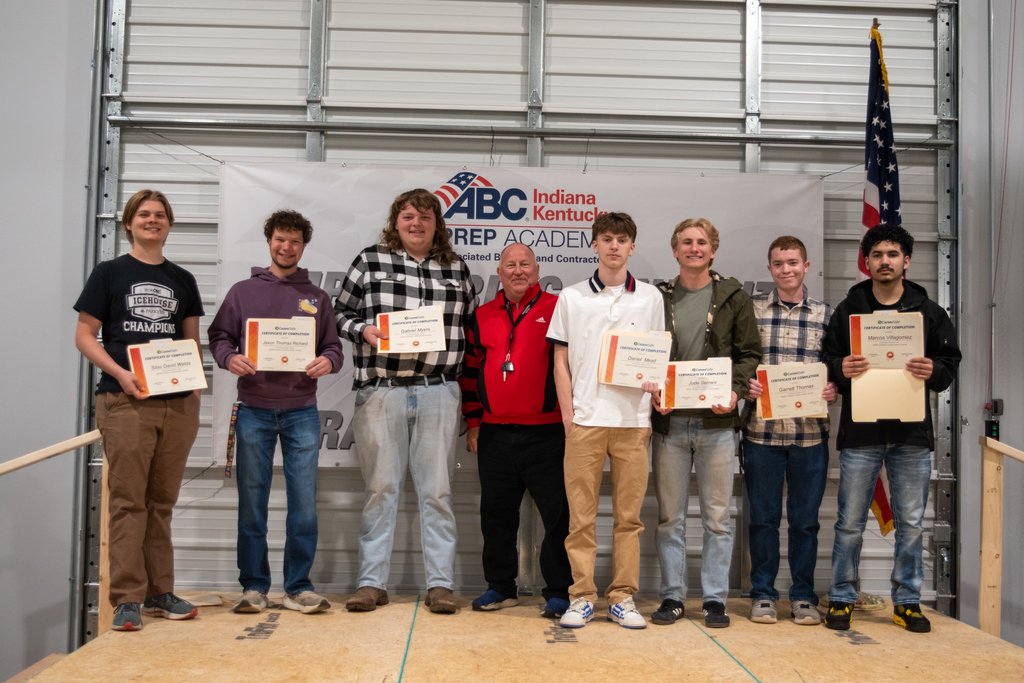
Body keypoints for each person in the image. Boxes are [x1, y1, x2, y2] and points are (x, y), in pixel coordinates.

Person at [334, 188, 476, 615]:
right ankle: (371, 583)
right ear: (396, 222)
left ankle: (440, 585)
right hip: (382, 391)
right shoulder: (369, 259)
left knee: (437, 492)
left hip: (439, 390)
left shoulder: (455, 267)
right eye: (408, 216)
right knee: (381, 489)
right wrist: (364, 332)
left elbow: (471, 324)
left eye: (425, 217)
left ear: (438, 224)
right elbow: (339, 314)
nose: (417, 224)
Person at [74, 189, 204, 631]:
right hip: (125, 398)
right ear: (128, 223)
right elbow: (85, 335)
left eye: (160, 215)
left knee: (162, 502)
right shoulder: (109, 273)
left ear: (169, 223)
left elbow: (189, 341)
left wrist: (194, 386)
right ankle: (127, 597)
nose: (153, 220)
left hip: (176, 403)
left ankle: (159, 592)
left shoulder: (182, 278)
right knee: (129, 501)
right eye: (144, 214)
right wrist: (122, 373)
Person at [822, 224, 960, 633]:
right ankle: (843, 597)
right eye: (877, 254)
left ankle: (907, 601)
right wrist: (840, 368)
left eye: (893, 254)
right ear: (866, 261)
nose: (885, 261)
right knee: (849, 521)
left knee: (912, 522)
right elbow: (828, 358)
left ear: (906, 261)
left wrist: (933, 369)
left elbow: (950, 364)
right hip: (860, 433)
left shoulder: (930, 312)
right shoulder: (849, 310)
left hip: (912, 434)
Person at [208, 209, 343, 615]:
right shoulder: (242, 292)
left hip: (302, 411)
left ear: (304, 247)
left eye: (295, 241)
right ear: (269, 241)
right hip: (254, 410)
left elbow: (333, 347)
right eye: (280, 240)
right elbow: (219, 337)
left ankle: (298, 587)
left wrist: (328, 362)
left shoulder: (317, 297)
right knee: (253, 502)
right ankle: (254, 586)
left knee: (304, 504)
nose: (287, 247)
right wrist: (229, 358)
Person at [546, 212, 665, 630]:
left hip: (634, 421)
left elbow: (656, 356)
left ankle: (622, 597)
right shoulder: (572, 297)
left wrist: (657, 396)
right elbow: (559, 358)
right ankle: (581, 596)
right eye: (607, 239)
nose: (614, 246)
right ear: (594, 245)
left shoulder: (651, 297)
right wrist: (568, 414)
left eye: (622, 240)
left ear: (632, 247)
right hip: (585, 421)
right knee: (580, 517)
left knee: (628, 518)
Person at [648, 217, 761, 629]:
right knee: (669, 518)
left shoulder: (733, 297)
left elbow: (750, 354)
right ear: (675, 250)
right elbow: (643, 353)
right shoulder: (656, 298)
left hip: (717, 425)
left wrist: (734, 391)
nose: (693, 248)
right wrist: (653, 389)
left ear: (713, 250)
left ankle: (715, 599)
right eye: (685, 242)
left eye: (701, 242)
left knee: (717, 517)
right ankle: (673, 597)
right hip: (670, 425)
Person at [460, 243, 572, 618]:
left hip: (548, 434)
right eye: (511, 265)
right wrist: (474, 423)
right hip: (494, 435)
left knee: (557, 517)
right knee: (496, 515)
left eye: (525, 264)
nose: (518, 270)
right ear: (500, 271)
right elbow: (470, 373)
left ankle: (559, 590)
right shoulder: (482, 315)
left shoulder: (558, 309)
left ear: (537, 270)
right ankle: (500, 587)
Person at [741, 236, 836, 626]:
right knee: (762, 519)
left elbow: (836, 365)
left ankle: (802, 596)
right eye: (779, 263)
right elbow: (740, 359)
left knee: (805, 522)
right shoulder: (753, 312)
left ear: (806, 265)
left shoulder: (826, 315)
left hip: (809, 436)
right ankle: (763, 593)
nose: (787, 269)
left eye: (793, 262)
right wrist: (746, 383)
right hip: (761, 434)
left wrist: (834, 387)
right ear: (769, 269)